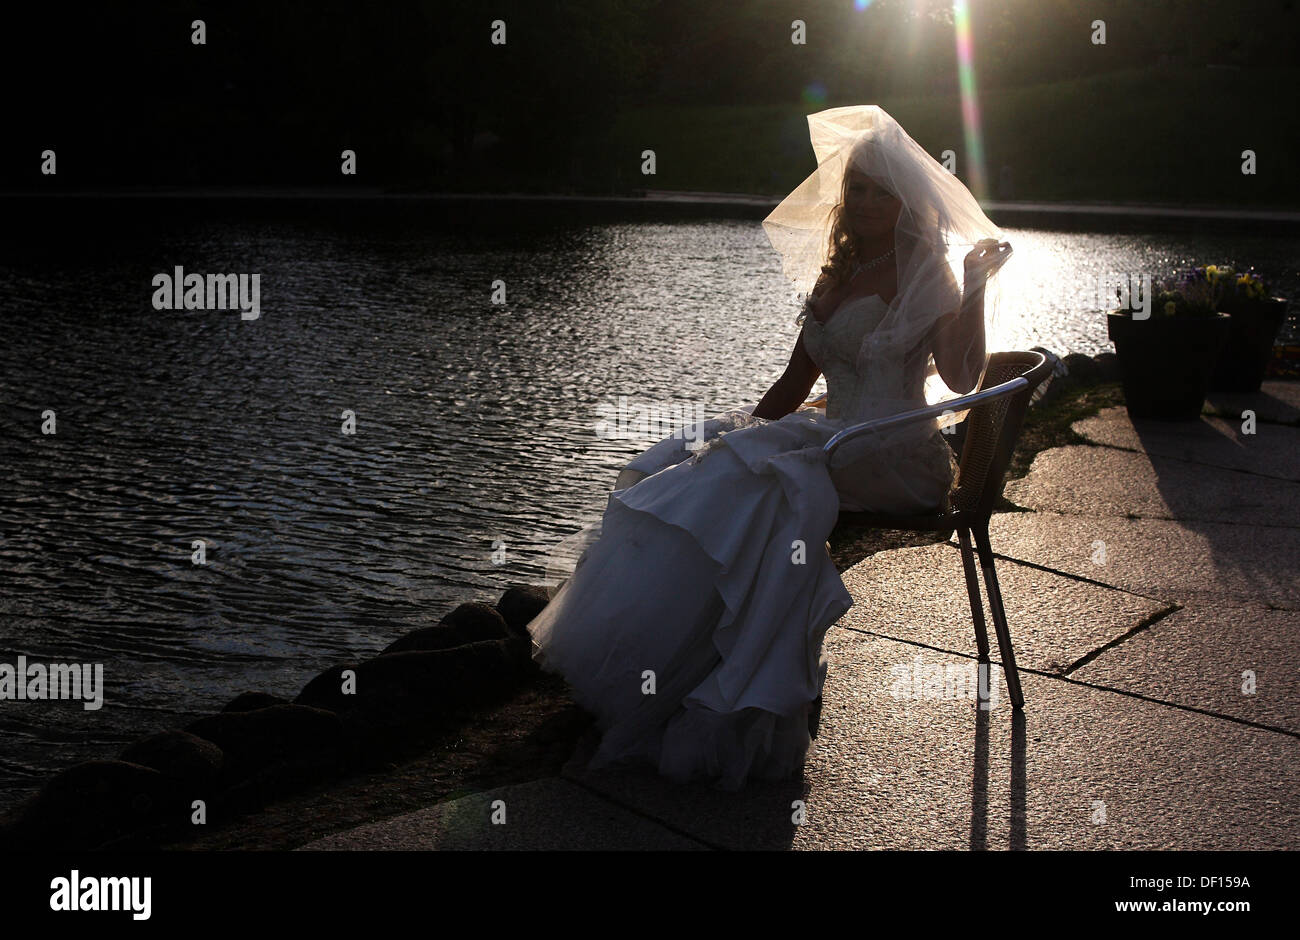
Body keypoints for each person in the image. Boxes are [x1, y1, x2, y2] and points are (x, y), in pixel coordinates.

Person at [527, 105, 1015, 791]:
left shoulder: (926, 271)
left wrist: (972, 287)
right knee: (698, 465)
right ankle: (679, 671)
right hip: (837, 438)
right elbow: (792, 384)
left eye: (883, 190)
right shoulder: (837, 272)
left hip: (896, 453)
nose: (869, 202)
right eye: (859, 190)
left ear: (908, 200)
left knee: (762, 488)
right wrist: (733, 437)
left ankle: (742, 692)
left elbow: (964, 379)